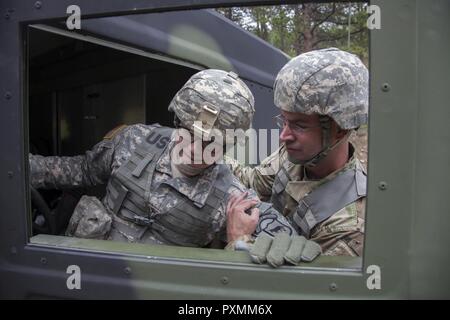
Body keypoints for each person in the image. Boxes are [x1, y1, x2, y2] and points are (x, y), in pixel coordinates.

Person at [30, 69, 309, 258]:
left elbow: (280, 238)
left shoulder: (231, 197)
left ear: (227, 145)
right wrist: (19, 168)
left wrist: (243, 242)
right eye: (190, 134)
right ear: (178, 122)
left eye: (211, 144)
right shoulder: (134, 141)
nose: (196, 151)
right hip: (86, 274)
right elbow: (79, 170)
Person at [227, 48, 368, 257]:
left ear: (340, 129)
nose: (284, 136)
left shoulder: (348, 227)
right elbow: (253, 182)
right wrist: (204, 154)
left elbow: (296, 288)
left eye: (299, 126)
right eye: (283, 121)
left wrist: (238, 241)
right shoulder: (298, 155)